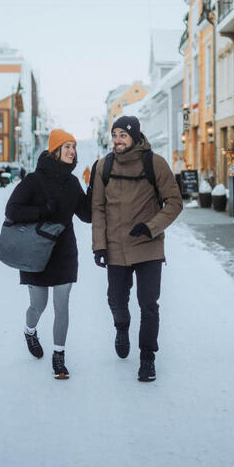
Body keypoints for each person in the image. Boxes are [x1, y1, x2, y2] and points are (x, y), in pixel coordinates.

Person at [91, 116, 183, 382]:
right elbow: (97, 208)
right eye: (115, 135)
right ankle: (122, 327)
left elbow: (174, 202)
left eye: (123, 135)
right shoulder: (103, 166)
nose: (118, 140)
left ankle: (147, 358)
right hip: (116, 247)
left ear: (134, 136)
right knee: (116, 300)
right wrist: (99, 245)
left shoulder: (155, 164)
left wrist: (151, 226)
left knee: (148, 304)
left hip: (148, 246)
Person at [5, 129, 91, 379]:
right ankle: (30, 330)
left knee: (61, 306)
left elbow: (86, 215)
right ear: (54, 150)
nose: (72, 151)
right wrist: (42, 211)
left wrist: (94, 189)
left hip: (64, 251)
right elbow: (12, 210)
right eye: (67, 147)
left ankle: (59, 358)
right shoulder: (34, 180)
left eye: (74, 147)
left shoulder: (73, 183)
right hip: (37, 252)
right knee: (38, 305)